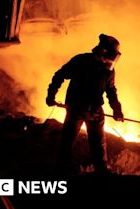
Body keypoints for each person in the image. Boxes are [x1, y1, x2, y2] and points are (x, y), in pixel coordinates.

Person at [46, 34, 124, 175]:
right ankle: (61, 174)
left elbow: (111, 91)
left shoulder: (108, 71)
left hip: (95, 112)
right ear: (102, 51)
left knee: (99, 148)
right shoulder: (81, 61)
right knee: (66, 143)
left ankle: (102, 174)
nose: (111, 61)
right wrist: (51, 95)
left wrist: (117, 109)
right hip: (76, 109)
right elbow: (60, 75)